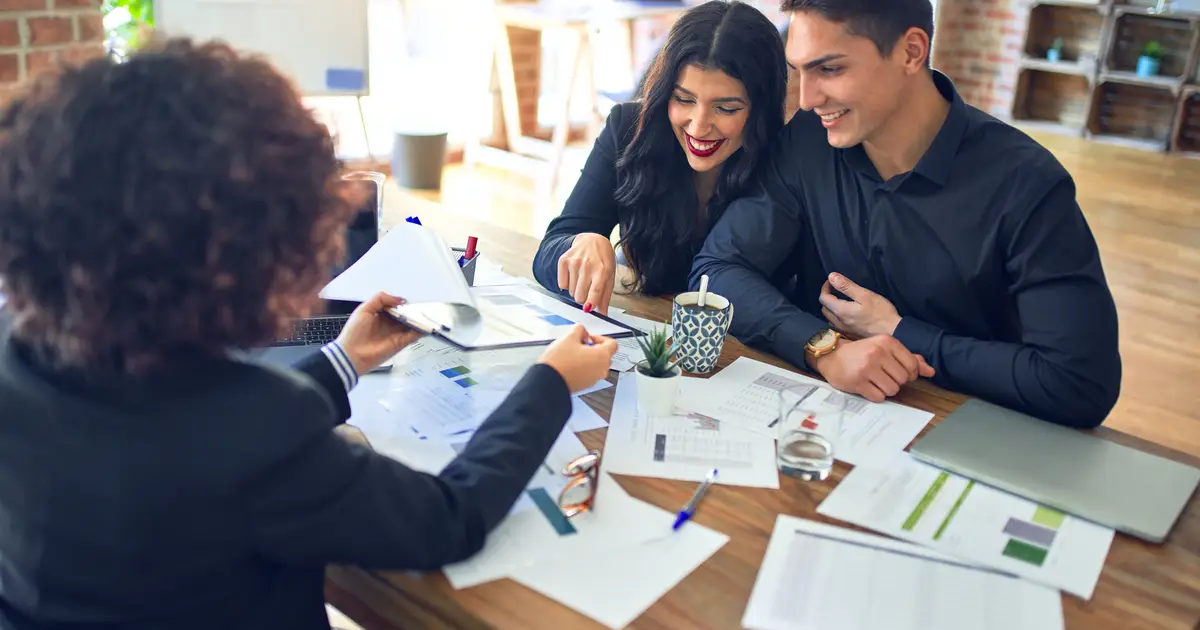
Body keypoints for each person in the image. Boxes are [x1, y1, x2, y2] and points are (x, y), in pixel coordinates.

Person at [0, 39, 617, 630]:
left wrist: (342, 361)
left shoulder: (17, 355)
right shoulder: (258, 424)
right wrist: (550, 382)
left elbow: (201, 432)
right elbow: (446, 521)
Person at [690, 0, 1121, 428]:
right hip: (820, 419)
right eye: (800, 70)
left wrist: (899, 331)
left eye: (831, 69)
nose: (806, 99)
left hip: (970, 435)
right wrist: (823, 347)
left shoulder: (1027, 184)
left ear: (911, 52)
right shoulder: (808, 142)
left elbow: (1078, 383)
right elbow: (718, 269)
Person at [531, 0, 789, 315]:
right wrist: (578, 245)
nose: (699, 126)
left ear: (760, 109)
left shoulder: (785, 160)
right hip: (647, 325)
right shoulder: (628, 128)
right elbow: (547, 252)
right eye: (683, 99)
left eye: (726, 108)